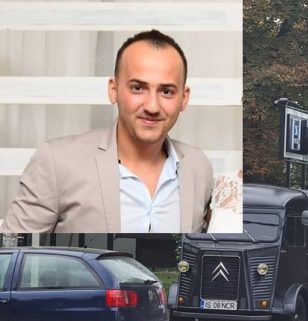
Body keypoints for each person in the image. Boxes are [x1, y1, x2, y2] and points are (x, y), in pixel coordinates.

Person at [1, 30, 213, 233]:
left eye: (166, 91)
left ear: (184, 98)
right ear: (114, 90)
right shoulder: (57, 162)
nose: (152, 106)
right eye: (138, 88)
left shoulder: (198, 167)